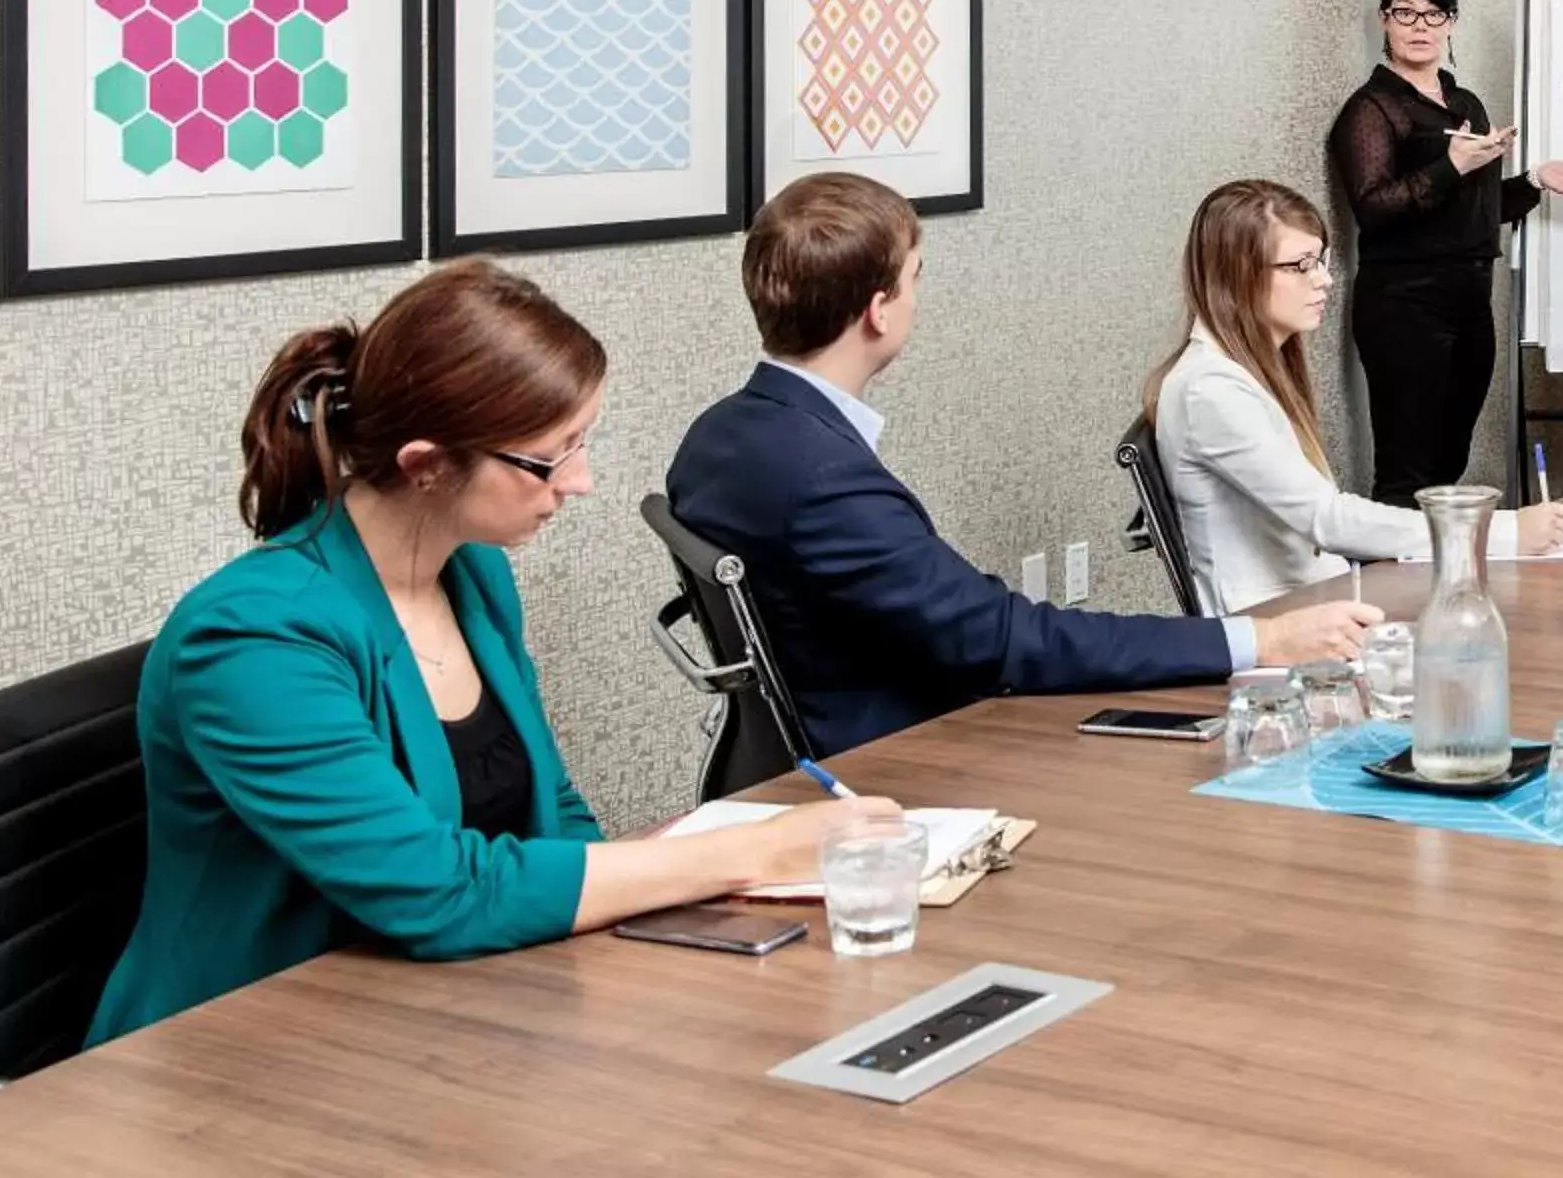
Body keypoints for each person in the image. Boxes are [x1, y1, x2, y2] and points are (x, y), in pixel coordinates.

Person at [91, 262, 894, 1046]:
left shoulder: (473, 574)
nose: (580, 483)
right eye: (552, 457)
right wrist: (746, 853)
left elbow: (551, 810)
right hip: (244, 1058)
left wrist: (680, 866)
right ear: (427, 465)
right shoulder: (253, 639)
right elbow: (437, 891)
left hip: (442, 1018)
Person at [670, 174, 1377, 755]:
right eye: (917, 277)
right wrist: (1258, 637)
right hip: (911, 763)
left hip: (843, 742)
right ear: (880, 310)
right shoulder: (824, 481)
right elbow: (999, 640)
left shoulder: (718, 438)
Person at [1148, 180, 1563, 612]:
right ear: (1238, 275)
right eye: (1301, 266)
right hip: (1278, 626)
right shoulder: (1212, 391)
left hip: (1314, 598)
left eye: (1322, 260)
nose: (1325, 280)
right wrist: (1497, 532)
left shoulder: (1242, 370)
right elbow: (1327, 519)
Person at [1328, 0, 1563, 503]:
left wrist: (1534, 180)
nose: (1420, 27)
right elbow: (1374, 207)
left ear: (1451, 22)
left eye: (1435, 14)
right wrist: (1449, 165)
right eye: (1406, 12)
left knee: (1448, 461)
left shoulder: (1465, 104)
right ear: (1385, 19)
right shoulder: (1371, 109)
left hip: (1471, 302)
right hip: (1404, 306)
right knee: (1407, 471)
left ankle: (1437, 576)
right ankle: (1397, 581)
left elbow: (1474, 210)